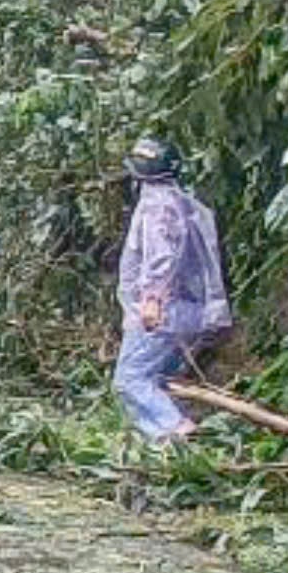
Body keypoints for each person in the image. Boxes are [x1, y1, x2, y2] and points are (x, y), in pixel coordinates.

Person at [113, 135, 232, 443]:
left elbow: (161, 256)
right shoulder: (180, 200)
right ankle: (167, 447)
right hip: (186, 311)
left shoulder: (158, 206)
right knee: (157, 380)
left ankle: (175, 429)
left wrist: (151, 300)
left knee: (130, 379)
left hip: (164, 313)